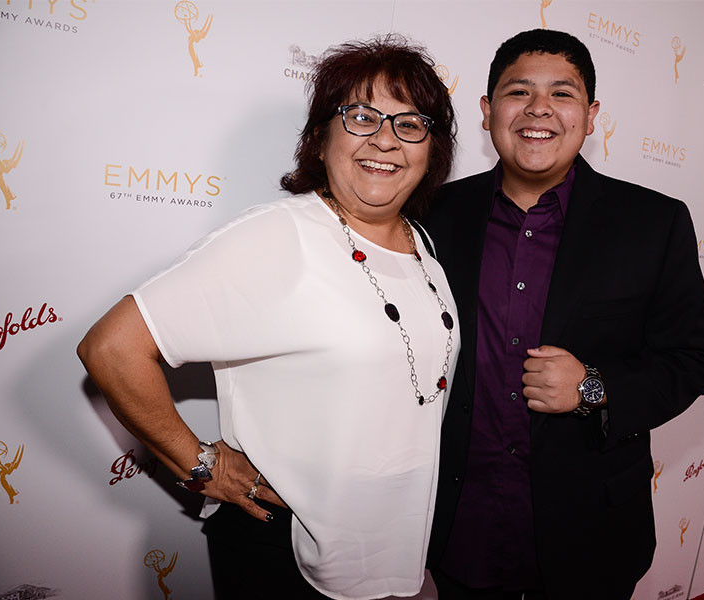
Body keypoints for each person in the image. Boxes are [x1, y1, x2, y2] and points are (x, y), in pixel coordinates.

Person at [77, 36, 459, 600]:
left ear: (431, 149)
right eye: (361, 116)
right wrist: (199, 463)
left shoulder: (420, 243)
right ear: (320, 139)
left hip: (387, 550)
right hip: (280, 550)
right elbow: (111, 349)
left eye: (410, 123)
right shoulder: (280, 236)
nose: (385, 139)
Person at [423, 29, 704, 599]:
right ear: (487, 113)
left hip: (591, 536)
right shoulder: (434, 215)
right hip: (461, 528)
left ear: (591, 116)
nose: (540, 109)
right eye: (519, 92)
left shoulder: (653, 224)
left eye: (562, 94)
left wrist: (592, 387)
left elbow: (692, 359)